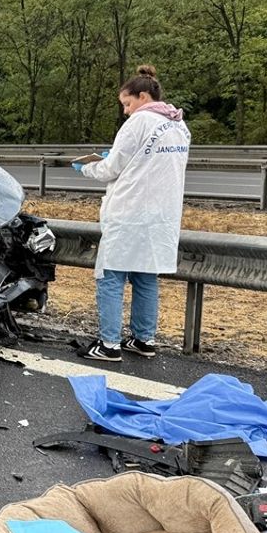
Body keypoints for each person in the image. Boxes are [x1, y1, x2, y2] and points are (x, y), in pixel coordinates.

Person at [73, 64, 190, 362]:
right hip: (161, 217)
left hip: (130, 213)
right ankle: (143, 339)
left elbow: (112, 168)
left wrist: (87, 167)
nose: (125, 111)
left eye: (127, 104)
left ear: (141, 96)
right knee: (146, 277)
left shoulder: (138, 123)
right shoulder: (179, 126)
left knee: (111, 277)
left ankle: (109, 345)